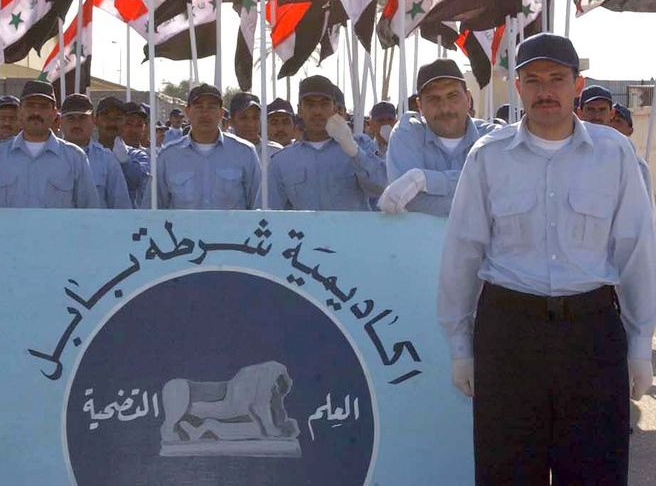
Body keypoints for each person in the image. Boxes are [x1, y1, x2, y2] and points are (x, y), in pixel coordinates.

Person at [438, 33, 656, 484]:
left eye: (557, 78)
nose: (545, 90)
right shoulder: (489, 157)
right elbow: (462, 253)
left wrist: (639, 346)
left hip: (591, 335)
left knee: (595, 471)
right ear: (517, 86)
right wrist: (460, 346)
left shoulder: (614, 155)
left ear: (578, 84)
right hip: (509, 338)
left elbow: (635, 252)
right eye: (533, 79)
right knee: (508, 472)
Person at [379, 59, 497, 216]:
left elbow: (505, 193)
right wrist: (480, 197)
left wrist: (425, 179)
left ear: (468, 99)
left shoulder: (492, 137)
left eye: (452, 96)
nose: (445, 108)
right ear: (420, 106)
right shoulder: (407, 134)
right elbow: (410, 203)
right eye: (433, 99)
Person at [268, 76, 386, 211]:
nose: (317, 111)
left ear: (335, 109)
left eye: (324, 104)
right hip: (306, 232)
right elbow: (268, 216)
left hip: (351, 232)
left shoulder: (362, 146)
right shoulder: (282, 161)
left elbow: (381, 187)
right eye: (310, 104)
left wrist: (355, 152)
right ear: (300, 110)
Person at [0, 81, 99, 208]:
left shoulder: (75, 158)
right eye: (30, 105)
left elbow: (89, 213)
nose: (36, 113)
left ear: (54, 113)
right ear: (20, 111)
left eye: (43, 106)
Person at [147, 83, 261, 210]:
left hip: (233, 230)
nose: (205, 114)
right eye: (199, 107)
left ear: (221, 113)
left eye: (212, 108)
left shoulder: (245, 152)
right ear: (187, 112)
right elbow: (153, 210)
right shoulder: (168, 156)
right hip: (183, 230)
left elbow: (258, 207)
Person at [59, 93, 132, 209]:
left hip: (97, 227)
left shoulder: (107, 160)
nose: (77, 124)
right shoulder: (49, 158)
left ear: (93, 121)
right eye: (71, 118)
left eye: (82, 118)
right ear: (60, 122)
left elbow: (121, 209)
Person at [94, 96, 150, 208]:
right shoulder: (84, 156)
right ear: (95, 120)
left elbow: (135, 181)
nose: (112, 123)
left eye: (118, 118)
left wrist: (124, 162)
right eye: (106, 117)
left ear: (124, 122)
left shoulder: (138, 156)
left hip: (128, 222)